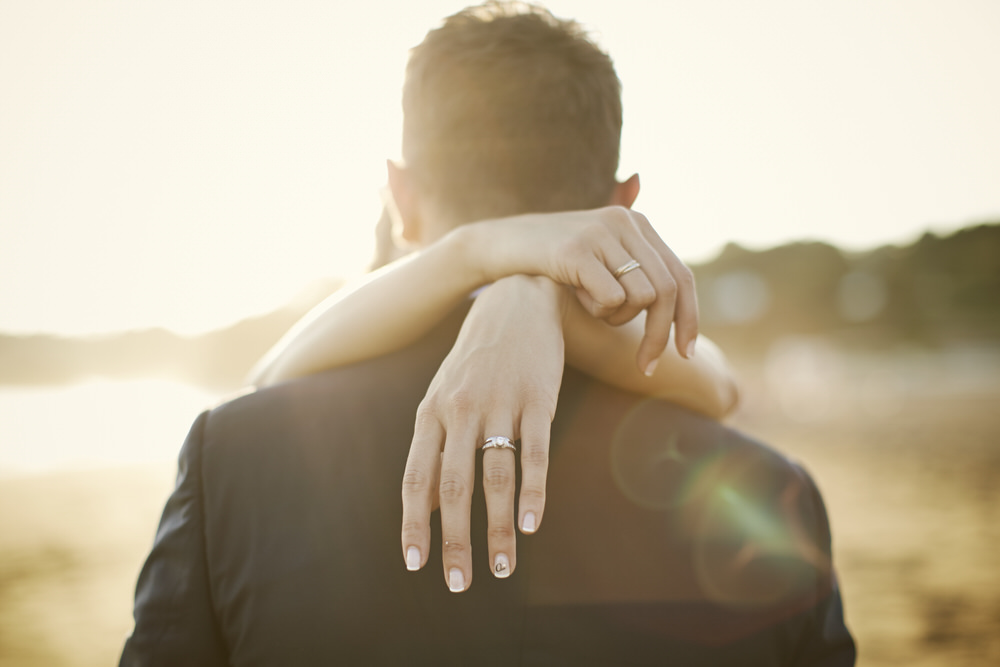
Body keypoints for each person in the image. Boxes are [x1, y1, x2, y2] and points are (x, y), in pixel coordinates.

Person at [120, 3, 855, 665]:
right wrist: (532, 282)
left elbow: (268, 377)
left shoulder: (233, 459)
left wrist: (507, 271)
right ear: (620, 204)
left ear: (399, 197)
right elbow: (719, 386)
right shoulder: (773, 494)